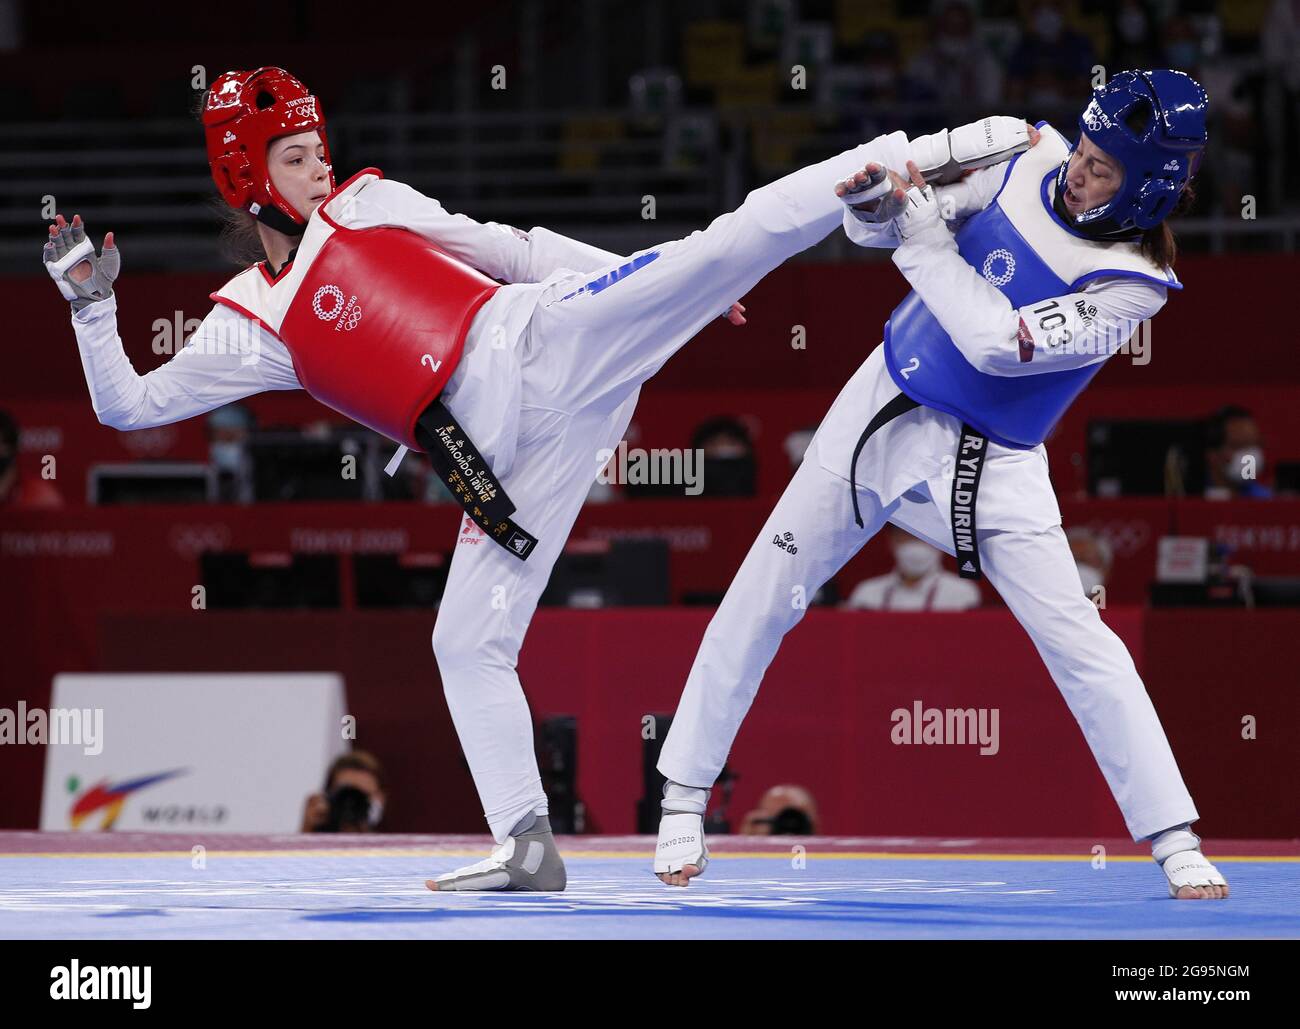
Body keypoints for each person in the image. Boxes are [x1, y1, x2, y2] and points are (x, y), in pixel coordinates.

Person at [44, 67, 1023, 892]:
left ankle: (904, 159)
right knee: (464, 639)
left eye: (318, 148)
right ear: (242, 176)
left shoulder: (370, 206)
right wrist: (94, 310)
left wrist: (645, 277)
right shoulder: (247, 324)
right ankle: (525, 842)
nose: (320, 167)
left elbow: (507, 250)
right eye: (295, 159)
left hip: (551, 341)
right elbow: (128, 407)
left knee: (726, 245)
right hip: (515, 462)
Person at [654, 71, 1229, 901]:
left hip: (998, 464)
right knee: (764, 586)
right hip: (883, 404)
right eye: (1088, 151)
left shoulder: (1134, 284)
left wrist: (916, 242)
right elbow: (876, 226)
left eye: (1105, 169)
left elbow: (1000, 343)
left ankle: (1174, 839)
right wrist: (876, 206)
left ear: (1150, 189)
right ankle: (681, 798)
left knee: (1083, 644)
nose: (1080, 172)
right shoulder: (1021, 152)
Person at [843, 524, 980, 611]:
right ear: (892, 541)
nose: (916, 543)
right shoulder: (867, 593)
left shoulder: (962, 592)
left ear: (941, 543)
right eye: (907, 536)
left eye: (924, 537)